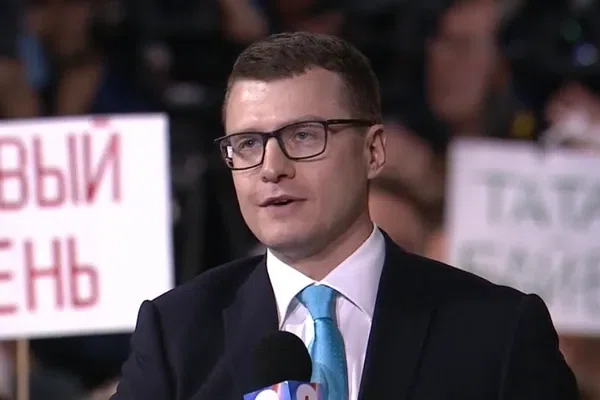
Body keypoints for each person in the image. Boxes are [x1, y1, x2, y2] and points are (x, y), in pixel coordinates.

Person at [111, 32, 578, 399]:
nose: (272, 168)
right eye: (248, 144)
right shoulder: (176, 334)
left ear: (373, 151)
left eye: (304, 136)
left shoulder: (498, 332)